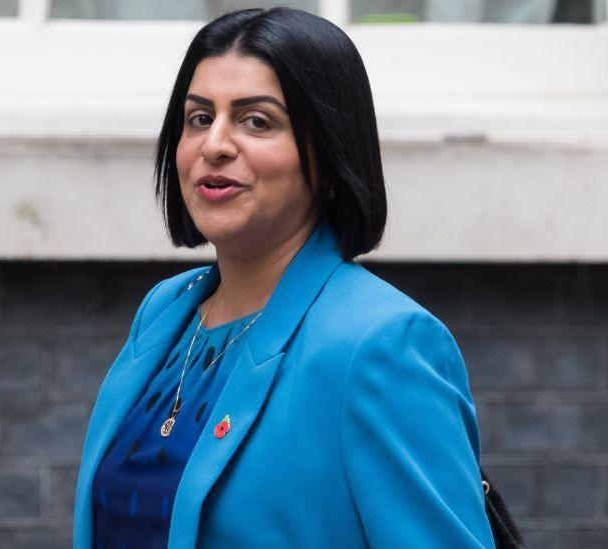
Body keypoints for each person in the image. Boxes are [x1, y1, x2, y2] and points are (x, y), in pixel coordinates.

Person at [73, 7, 494, 548]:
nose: (215, 145)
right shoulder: (164, 312)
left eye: (256, 121)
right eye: (199, 118)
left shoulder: (382, 345)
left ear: (330, 152)